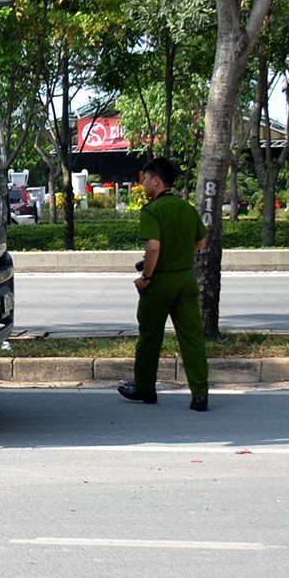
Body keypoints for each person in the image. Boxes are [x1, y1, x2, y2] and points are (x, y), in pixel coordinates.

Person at [118, 156, 210, 413]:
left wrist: (146, 277)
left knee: (150, 337)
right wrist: (178, 253)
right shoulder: (187, 208)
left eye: (146, 179)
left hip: (160, 282)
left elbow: (153, 247)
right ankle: (200, 394)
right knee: (192, 338)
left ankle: (145, 389)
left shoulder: (152, 211)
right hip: (186, 280)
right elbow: (201, 242)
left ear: (156, 181)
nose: (143, 184)